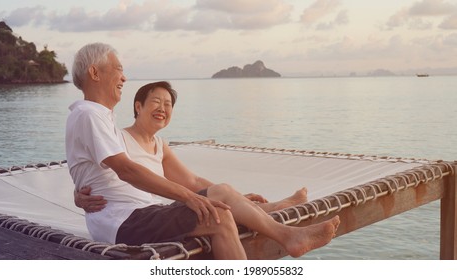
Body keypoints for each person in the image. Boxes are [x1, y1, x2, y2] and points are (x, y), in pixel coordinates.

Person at [66, 42, 340, 259]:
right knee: (217, 206)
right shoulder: (90, 115)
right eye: (118, 68)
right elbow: (126, 169)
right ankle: (288, 235)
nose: (124, 77)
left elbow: (92, 170)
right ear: (94, 73)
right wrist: (190, 198)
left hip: (136, 216)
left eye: (168, 104)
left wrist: (80, 193)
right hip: (124, 223)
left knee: (219, 210)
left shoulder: (101, 118)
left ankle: (281, 225)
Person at [75, 81, 310, 213]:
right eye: (156, 101)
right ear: (138, 106)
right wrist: (78, 195)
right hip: (129, 218)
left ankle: (264, 207)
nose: (162, 108)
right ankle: (275, 208)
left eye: (168, 104)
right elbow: (93, 166)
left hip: (155, 212)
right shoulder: (118, 136)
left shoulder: (160, 145)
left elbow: (193, 182)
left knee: (222, 201)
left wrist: (234, 198)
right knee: (219, 207)